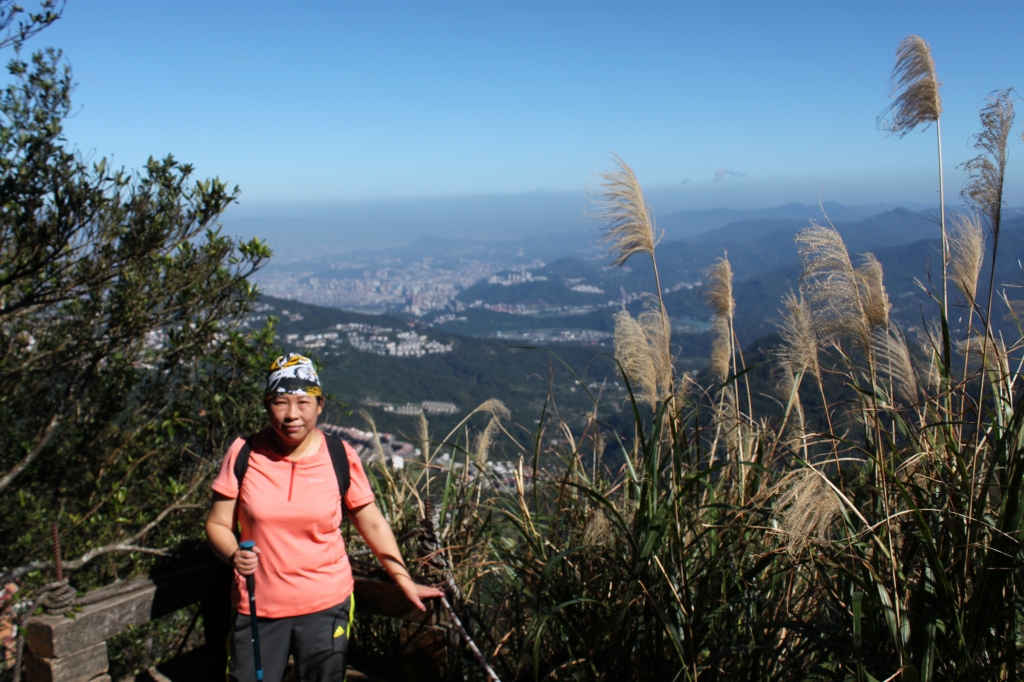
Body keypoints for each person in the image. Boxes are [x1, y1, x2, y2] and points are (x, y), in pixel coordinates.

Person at [205, 353, 444, 681]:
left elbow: (371, 522)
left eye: (304, 403)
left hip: (326, 605)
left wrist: (403, 579)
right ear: (266, 405)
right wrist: (234, 554)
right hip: (257, 605)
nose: (292, 414)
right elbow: (218, 523)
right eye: (280, 402)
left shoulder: (339, 455)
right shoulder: (244, 453)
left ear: (320, 406)